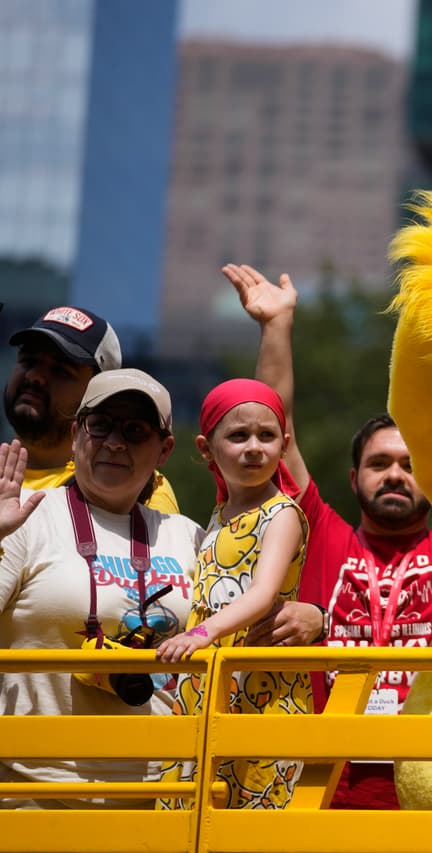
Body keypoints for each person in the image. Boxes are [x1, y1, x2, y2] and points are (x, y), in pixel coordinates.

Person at [224, 263, 432, 810]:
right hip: (323, 781)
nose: (395, 475)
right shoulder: (318, 532)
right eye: (379, 463)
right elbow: (274, 428)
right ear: (353, 479)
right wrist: (276, 327)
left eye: (411, 464)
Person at [0, 369, 203, 809]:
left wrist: (312, 617)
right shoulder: (27, 519)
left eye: (135, 430)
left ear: (164, 449)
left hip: (162, 794)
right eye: (101, 425)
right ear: (77, 433)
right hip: (31, 792)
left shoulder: (188, 537)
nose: (115, 442)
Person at [155, 379, 310, 811]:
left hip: (258, 688)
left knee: (250, 821)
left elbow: (262, 595)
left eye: (267, 435)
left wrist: (203, 633)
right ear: (207, 449)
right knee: (188, 816)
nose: (254, 447)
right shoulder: (220, 516)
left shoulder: (281, 514)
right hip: (205, 685)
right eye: (238, 436)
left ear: (285, 443)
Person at [5, 306, 179, 512]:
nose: (35, 376)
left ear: (101, 393)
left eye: (61, 370)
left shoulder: (135, 489)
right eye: (28, 360)